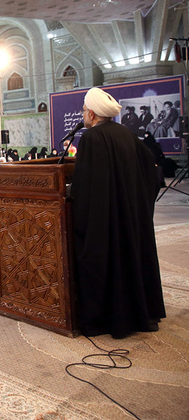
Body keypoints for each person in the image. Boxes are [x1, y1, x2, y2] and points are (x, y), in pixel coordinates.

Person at [72, 87, 165, 339]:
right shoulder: (126, 133)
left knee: (99, 259)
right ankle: (137, 314)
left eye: (83, 111)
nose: (82, 115)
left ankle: (103, 321)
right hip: (129, 219)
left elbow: (85, 185)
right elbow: (151, 170)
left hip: (104, 221)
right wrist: (137, 203)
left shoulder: (91, 138)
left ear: (91, 114)